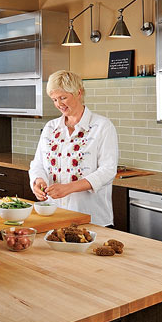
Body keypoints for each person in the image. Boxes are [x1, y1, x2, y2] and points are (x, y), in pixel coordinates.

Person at [29, 70, 118, 226]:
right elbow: (37, 164)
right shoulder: (51, 128)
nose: (59, 104)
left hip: (91, 217)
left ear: (78, 92)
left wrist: (70, 188)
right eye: (54, 99)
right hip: (54, 215)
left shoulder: (102, 126)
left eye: (63, 98)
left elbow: (108, 170)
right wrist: (38, 181)